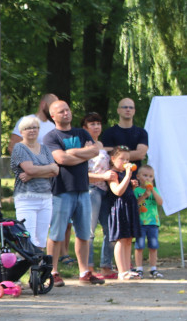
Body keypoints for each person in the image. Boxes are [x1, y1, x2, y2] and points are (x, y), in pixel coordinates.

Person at [42, 100, 105, 286]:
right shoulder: (50, 137)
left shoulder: (82, 132)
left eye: (67, 110)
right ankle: (52, 272)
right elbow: (61, 158)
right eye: (61, 112)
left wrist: (72, 153)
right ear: (53, 116)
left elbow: (95, 151)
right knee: (57, 233)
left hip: (83, 190)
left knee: (84, 233)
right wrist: (81, 153)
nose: (66, 114)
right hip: (61, 191)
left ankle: (84, 272)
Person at [9, 115, 59, 250]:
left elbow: (56, 171)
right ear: (21, 132)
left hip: (46, 198)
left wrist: (33, 174)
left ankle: (38, 269)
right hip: (27, 198)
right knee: (28, 238)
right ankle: (26, 267)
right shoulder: (19, 148)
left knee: (42, 239)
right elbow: (29, 169)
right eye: (28, 128)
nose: (32, 130)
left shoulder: (44, 148)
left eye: (35, 127)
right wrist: (44, 170)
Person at [81, 113, 117, 279]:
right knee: (89, 230)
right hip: (91, 190)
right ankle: (88, 267)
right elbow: (82, 173)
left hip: (106, 190)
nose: (96, 126)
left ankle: (106, 265)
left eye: (98, 123)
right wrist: (103, 177)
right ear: (85, 128)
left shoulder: (101, 144)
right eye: (92, 124)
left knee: (110, 229)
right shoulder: (83, 146)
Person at [106, 147, 141, 280]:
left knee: (128, 239)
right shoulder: (113, 174)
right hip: (119, 209)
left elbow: (126, 189)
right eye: (122, 159)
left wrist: (131, 185)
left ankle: (127, 269)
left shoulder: (124, 175)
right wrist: (127, 176)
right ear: (113, 159)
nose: (125, 162)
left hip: (130, 207)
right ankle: (121, 270)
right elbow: (117, 191)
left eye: (128, 159)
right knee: (121, 239)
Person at [133, 165, 163, 278]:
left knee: (153, 246)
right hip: (141, 222)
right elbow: (135, 204)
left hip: (153, 222)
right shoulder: (137, 190)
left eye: (150, 176)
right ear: (138, 177)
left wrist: (152, 191)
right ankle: (139, 268)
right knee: (139, 246)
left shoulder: (154, 190)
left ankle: (153, 268)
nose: (147, 179)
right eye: (145, 175)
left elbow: (160, 202)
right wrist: (145, 195)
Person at [101, 98, 149, 168]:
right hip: (114, 176)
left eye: (131, 107)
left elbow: (140, 154)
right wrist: (134, 154)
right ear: (118, 110)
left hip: (136, 176)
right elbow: (107, 155)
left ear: (134, 111)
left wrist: (118, 155)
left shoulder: (142, 132)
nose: (128, 109)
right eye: (125, 107)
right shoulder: (108, 133)